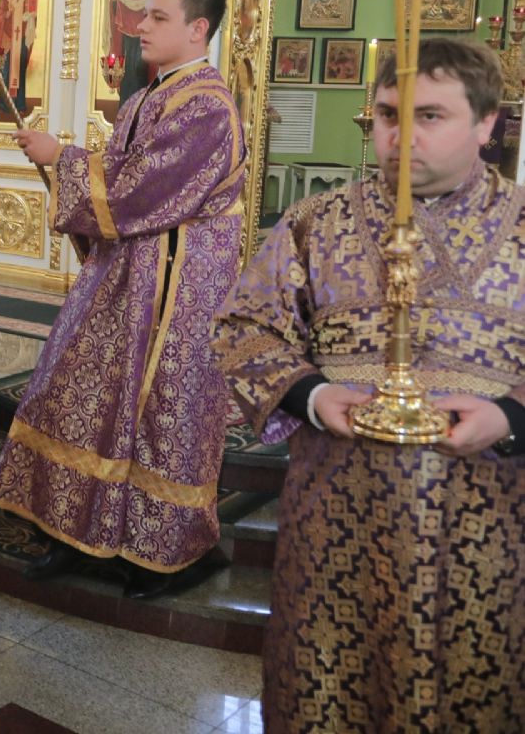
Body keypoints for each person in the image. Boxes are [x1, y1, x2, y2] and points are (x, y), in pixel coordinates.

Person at [215, 37, 525, 734]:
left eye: (430, 116)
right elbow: (242, 327)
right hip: (336, 523)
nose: (401, 137)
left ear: (487, 123)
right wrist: (313, 396)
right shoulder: (316, 222)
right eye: (388, 114)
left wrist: (511, 415)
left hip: (490, 526)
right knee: (328, 692)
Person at [0, 0, 245, 600]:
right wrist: (70, 169)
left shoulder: (208, 106)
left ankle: (166, 554)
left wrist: (61, 159)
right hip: (124, 280)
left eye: (157, 17)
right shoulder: (145, 97)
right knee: (81, 394)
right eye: (142, 14)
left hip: (175, 294)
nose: (139, 26)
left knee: (159, 416)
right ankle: (72, 528)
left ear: (198, 29)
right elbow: (120, 183)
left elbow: (140, 190)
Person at [0, 0, 38, 115]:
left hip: (22, 39)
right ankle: (4, 104)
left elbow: (33, 15)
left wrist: (31, 17)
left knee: (20, 71)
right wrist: (7, 13)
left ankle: (20, 105)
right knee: (5, 71)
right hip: (7, 39)